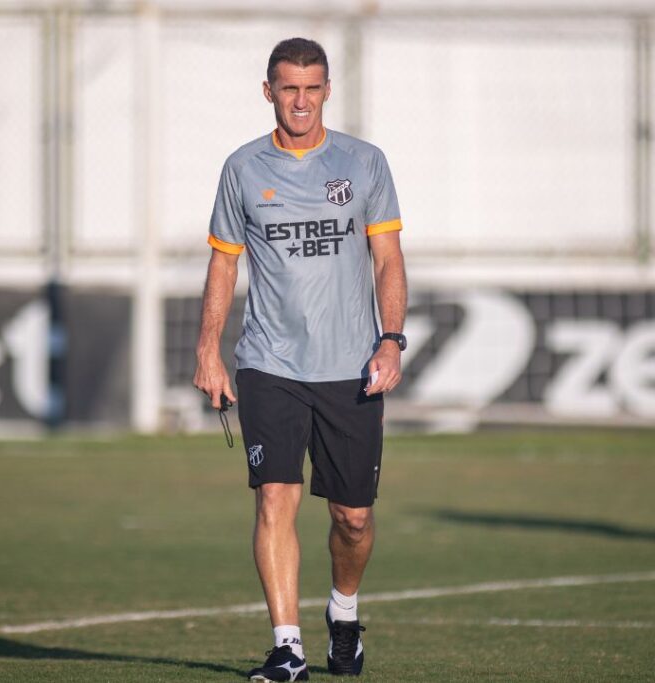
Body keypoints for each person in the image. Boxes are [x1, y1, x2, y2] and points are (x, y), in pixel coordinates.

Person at [193, 37, 408, 682]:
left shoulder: (364, 163)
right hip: (269, 363)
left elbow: (389, 259)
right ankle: (287, 647)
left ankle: (343, 613)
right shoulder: (242, 168)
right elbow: (224, 262)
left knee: (353, 517)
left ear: (327, 90)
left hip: (350, 368)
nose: (301, 101)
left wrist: (391, 338)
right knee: (274, 499)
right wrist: (209, 347)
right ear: (269, 92)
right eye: (289, 88)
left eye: (313, 87)